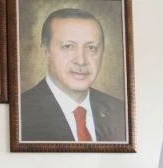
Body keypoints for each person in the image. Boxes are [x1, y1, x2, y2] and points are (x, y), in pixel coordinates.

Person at [19, 8, 126, 142]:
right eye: (68, 46)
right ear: (46, 52)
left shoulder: (120, 112)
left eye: (91, 48)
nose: (81, 61)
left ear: (102, 53)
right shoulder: (21, 113)